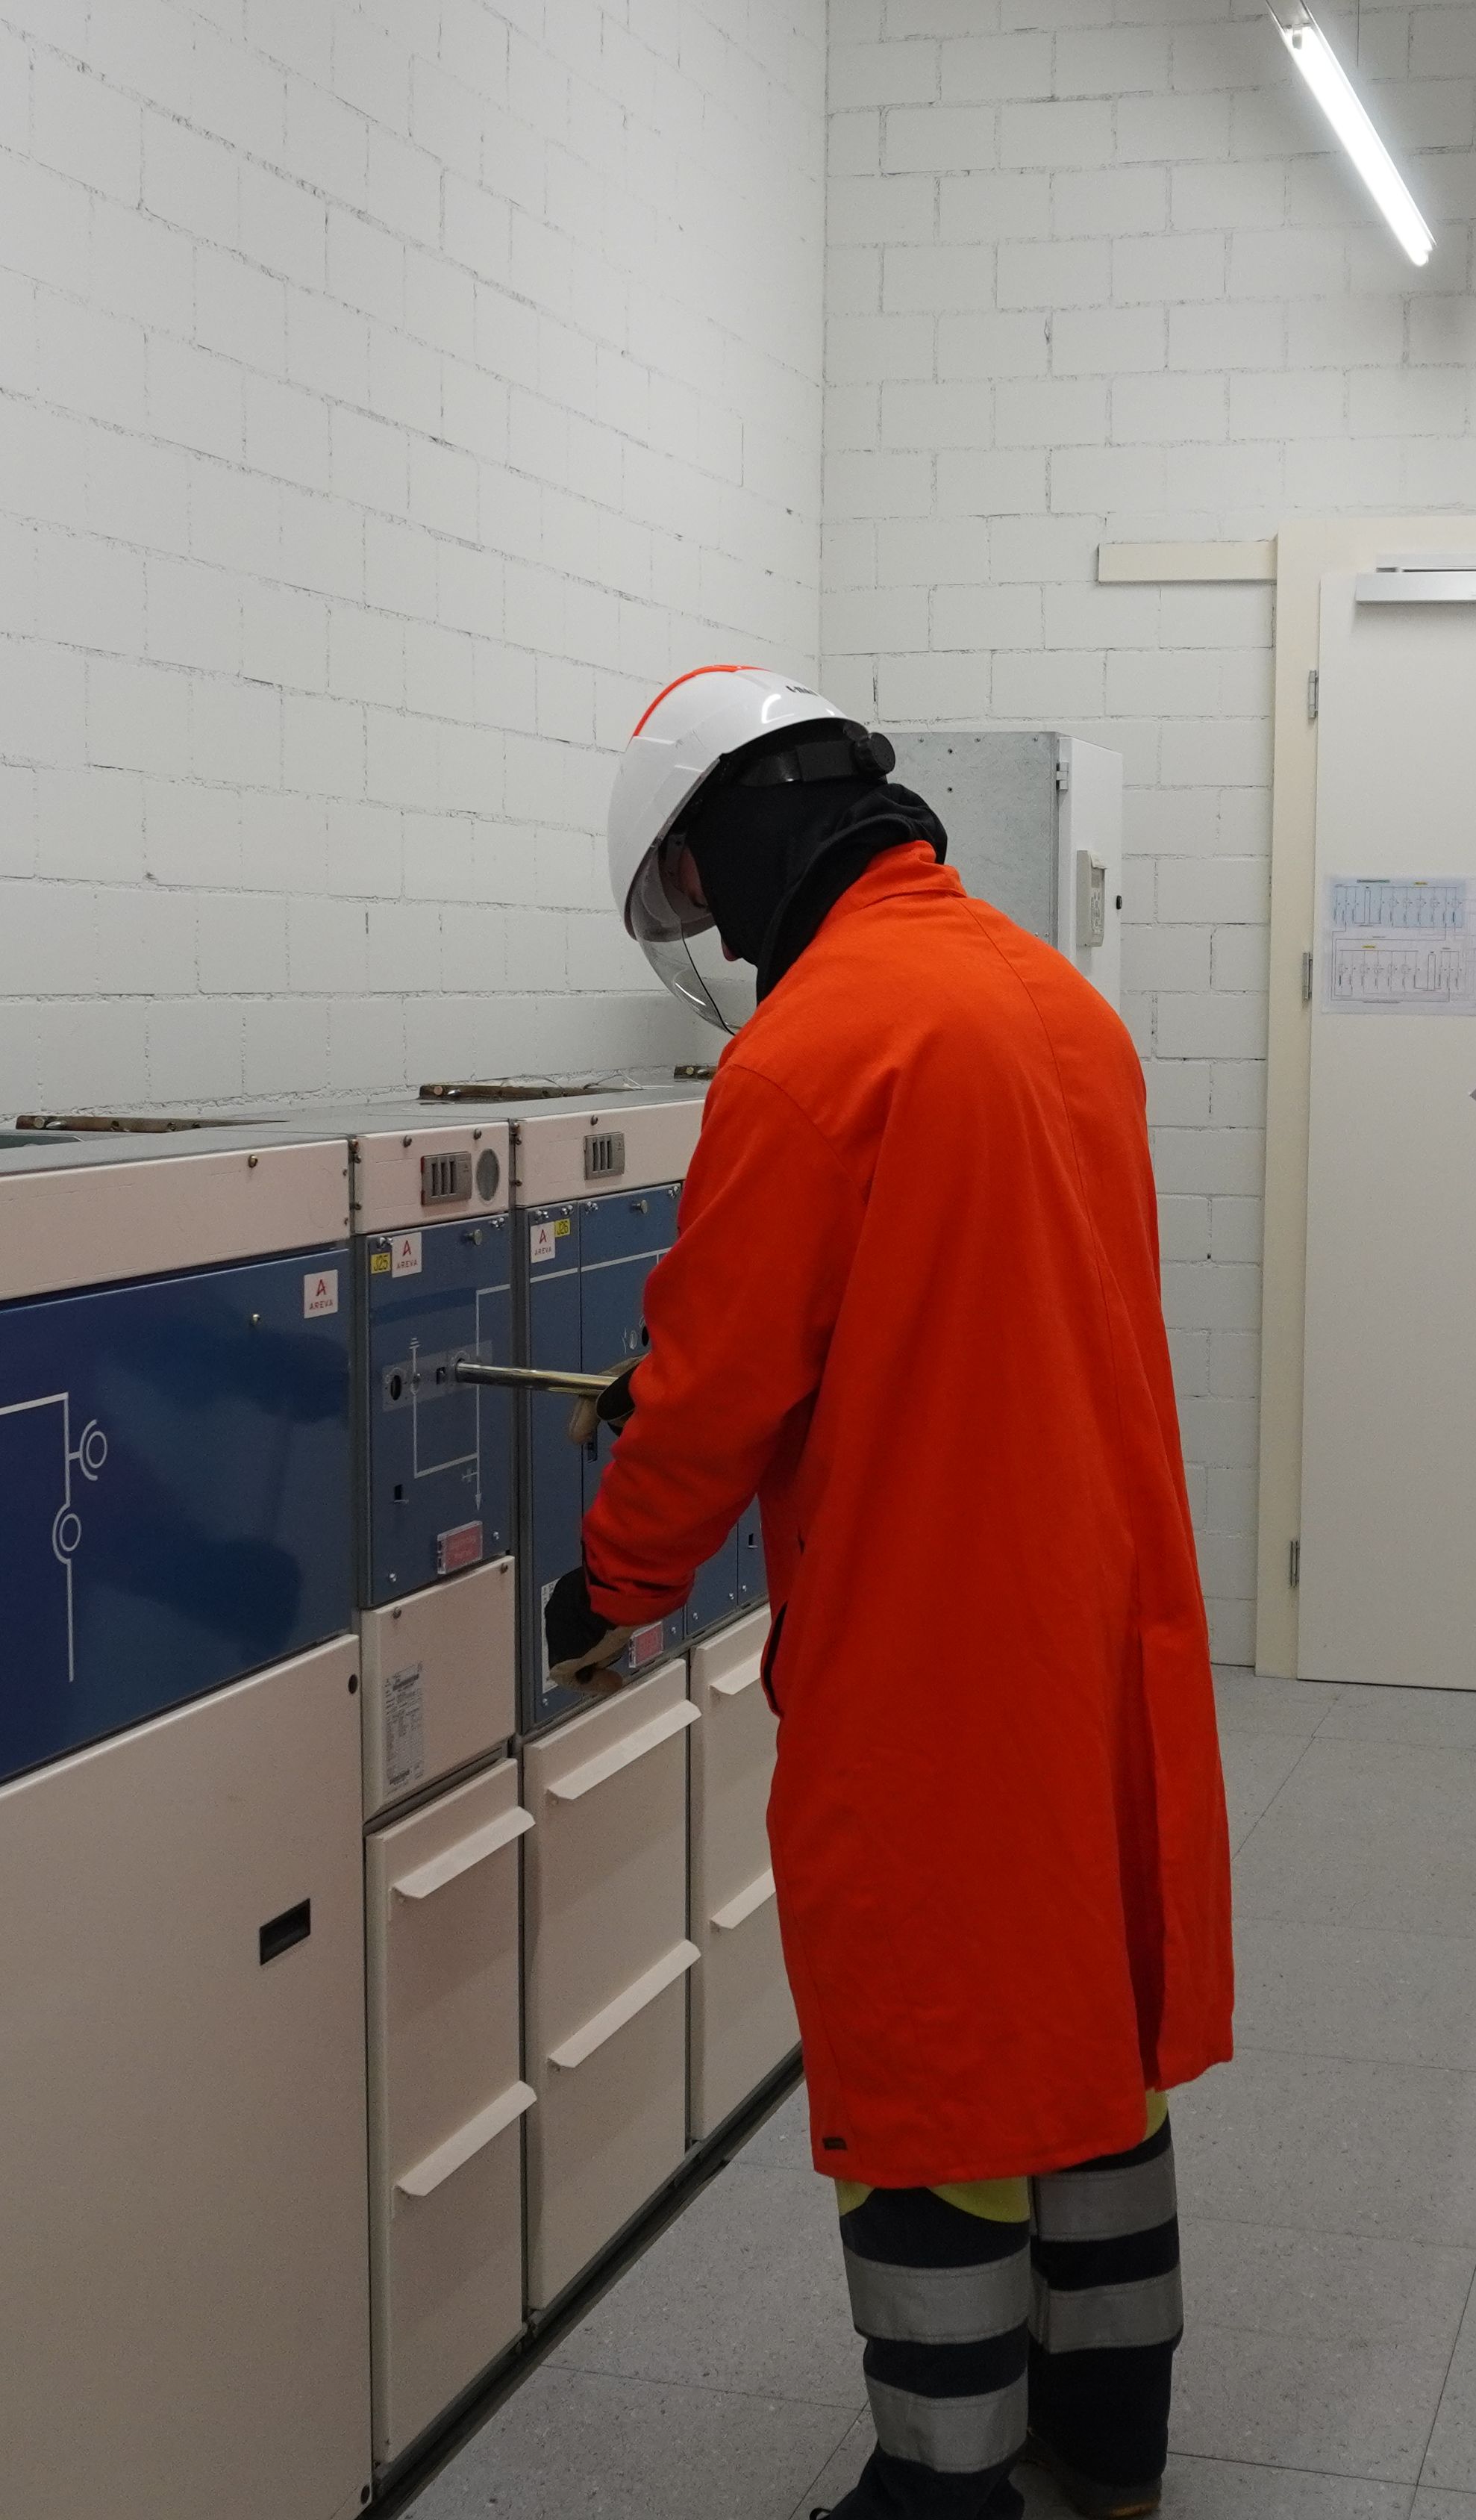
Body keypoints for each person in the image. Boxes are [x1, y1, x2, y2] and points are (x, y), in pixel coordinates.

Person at [541, 665, 1235, 2520]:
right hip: (1099, 1618)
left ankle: (945, 2478)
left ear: (744, 842)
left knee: (933, 2058)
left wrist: (607, 1579)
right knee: (1083, 2028)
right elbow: (953, 1303)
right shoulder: (1056, 999)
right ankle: (1114, 2442)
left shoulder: (814, 1047)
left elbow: (711, 1394)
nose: (708, 929)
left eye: (693, 889)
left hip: (936, 1647)